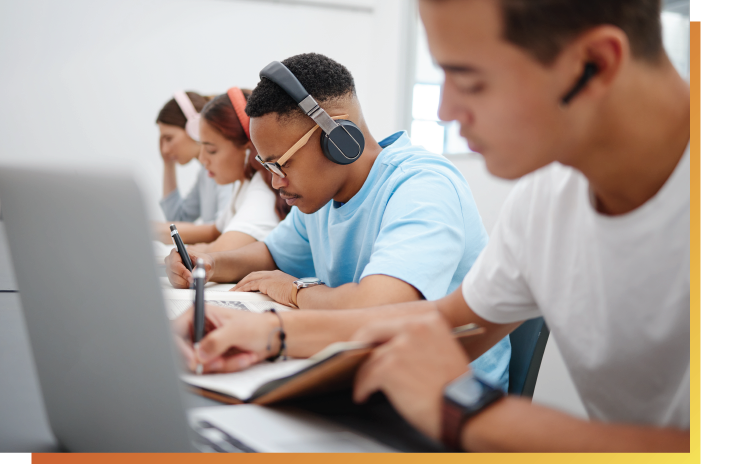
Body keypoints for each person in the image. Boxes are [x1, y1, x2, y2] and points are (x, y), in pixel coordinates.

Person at [172, 0, 690, 452]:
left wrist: (473, 415)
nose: (444, 111)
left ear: (594, 65)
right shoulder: (546, 198)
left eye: (469, 79)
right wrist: (269, 333)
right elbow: (446, 322)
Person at [166, 53, 511, 388]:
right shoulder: (322, 198)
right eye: (268, 166)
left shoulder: (422, 187)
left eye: (280, 164)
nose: (275, 181)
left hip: (444, 400)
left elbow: (378, 309)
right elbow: (269, 254)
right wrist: (206, 263)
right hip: (363, 375)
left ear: (339, 139)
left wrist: (295, 290)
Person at [185, 88, 290, 253]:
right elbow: (215, 231)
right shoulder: (244, 184)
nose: (202, 159)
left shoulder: (263, 193)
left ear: (247, 149)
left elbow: (221, 251)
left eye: (211, 150)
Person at [154, 91, 233, 244]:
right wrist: (168, 164)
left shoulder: (225, 170)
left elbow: (223, 229)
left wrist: (153, 229)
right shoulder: (205, 173)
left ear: (195, 129)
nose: (164, 149)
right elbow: (177, 220)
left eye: (169, 138)